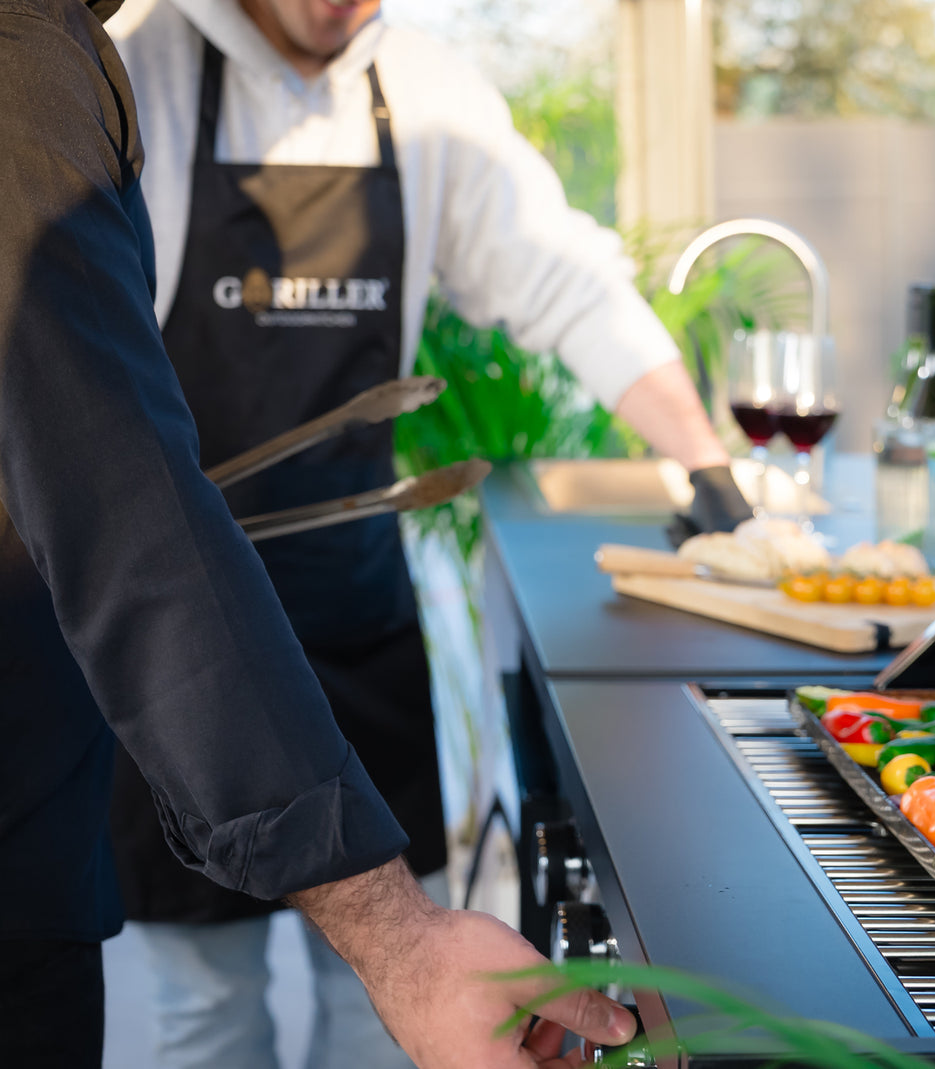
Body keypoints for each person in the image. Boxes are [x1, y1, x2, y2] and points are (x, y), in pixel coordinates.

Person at [101, 0, 750, 1065]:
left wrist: (709, 463)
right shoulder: (137, 74)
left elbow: (566, 279)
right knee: (206, 1010)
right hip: (179, 635)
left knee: (387, 1006)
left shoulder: (427, 94)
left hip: (356, 612)